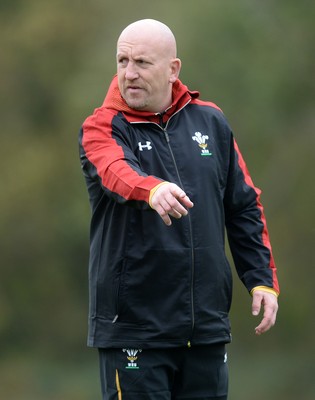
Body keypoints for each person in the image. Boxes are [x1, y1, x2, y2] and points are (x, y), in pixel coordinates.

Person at [79, 18, 279, 400]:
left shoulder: (211, 121)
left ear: (173, 69)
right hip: (134, 333)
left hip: (205, 330)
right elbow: (114, 171)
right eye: (122, 61)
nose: (129, 73)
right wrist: (151, 189)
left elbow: (243, 206)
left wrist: (261, 278)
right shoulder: (101, 126)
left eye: (142, 62)